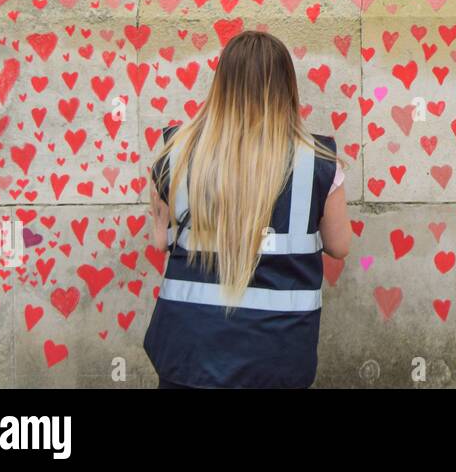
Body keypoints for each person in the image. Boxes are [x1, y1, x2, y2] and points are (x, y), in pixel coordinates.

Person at [143, 30, 353, 388]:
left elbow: (159, 241)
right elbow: (340, 246)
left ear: (221, 83)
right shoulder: (318, 162)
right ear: (286, 87)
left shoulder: (173, 151)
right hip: (278, 356)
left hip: (188, 352)